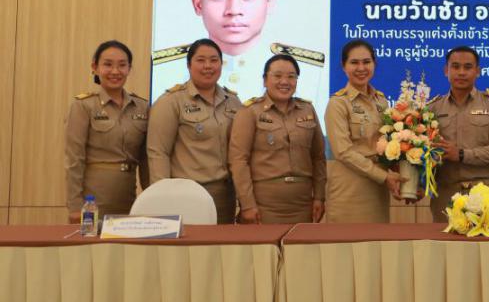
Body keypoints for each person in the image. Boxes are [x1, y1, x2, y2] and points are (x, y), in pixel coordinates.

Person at [151, 0, 325, 105]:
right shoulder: (164, 71)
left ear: (269, 3)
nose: (233, 10)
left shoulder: (310, 72)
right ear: (198, 4)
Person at [147, 38, 243, 224]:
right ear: (189, 65)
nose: (208, 66)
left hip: (224, 196)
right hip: (186, 195)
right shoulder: (171, 101)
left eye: (214, 60)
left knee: (222, 243)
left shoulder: (233, 102)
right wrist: (161, 198)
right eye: (200, 60)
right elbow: (158, 152)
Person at [229, 54, 327, 224]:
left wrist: (319, 196)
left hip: (303, 205)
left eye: (291, 77)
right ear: (265, 80)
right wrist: (247, 204)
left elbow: (318, 157)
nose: (285, 82)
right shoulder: (250, 112)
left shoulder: (307, 110)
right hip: (263, 206)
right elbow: (239, 160)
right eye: (278, 76)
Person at [64, 40, 148, 223]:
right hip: (93, 200)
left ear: (129, 69)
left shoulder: (141, 107)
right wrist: (75, 205)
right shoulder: (83, 106)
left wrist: (152, 199)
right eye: (108, 64)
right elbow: (74, 159)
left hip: (129, 198)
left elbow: (146, 160)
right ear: (95, 67)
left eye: (122, 65)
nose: (115, 71)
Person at [428, 46, 489, 222]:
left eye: (468, 67)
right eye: (455, 66)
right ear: (446, 71)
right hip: (445, 193)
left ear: (478, 71)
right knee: (443, 240)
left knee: (484, 240)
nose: (461, 72)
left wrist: (461, 154)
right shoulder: (432, 108)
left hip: (484, 192)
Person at [324, 40, 405, 223]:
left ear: (374, 64)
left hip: (378, 190)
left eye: (366, 62)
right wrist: (384, 176)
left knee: (378, 241)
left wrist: (406, 180)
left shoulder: (381, 101)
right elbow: (343, 152)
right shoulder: (338, 104)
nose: (361, 68)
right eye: (354, 62)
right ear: (344, 66)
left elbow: (389, 149)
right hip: (349, 192)